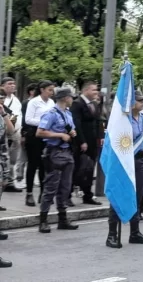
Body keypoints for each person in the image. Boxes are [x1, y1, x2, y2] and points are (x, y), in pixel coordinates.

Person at [106, 91, 143, 249]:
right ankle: (112, 234)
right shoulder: (122, 120)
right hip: (124, 161)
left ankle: (135, 232)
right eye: (139, 101)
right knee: (118, 195)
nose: (142, 103)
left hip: (139, 161)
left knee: (137, 197)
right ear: (131, 103)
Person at [36, 88, 78, 234]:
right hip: (54, 153)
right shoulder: (51, 114)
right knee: (50, 187)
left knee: (65, 188)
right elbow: (40, 132)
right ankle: (43, 221)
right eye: (71, 97)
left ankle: (62, 219)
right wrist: (60, 135)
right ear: (65, 98)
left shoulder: (68, 113)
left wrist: (72, 133)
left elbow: (72, 130)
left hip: (67, 153)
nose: (73, 99)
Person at [70, 81, 102, 205]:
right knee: (77, 169)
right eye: (94, 90)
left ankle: (87, 195)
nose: (96, 92)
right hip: (81, 143)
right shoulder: (77, 104)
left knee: (89, 170)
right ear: (86, 90)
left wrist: (100, 138)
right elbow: (76, 124)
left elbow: (98, 122)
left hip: (93, 143)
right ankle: (68, 195)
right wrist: (82, 141)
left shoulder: (94, 104)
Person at [24, 80, 56, 206]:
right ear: (42, 89)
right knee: (33, 164)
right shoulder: (34, 102)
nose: (51, 93)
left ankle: (43, 193)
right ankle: (29, 193)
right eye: (49, 90)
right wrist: (44, 123)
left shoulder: (51, 102)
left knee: (45, 165)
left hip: (47, 135)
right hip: (34, 134)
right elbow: (28, 119)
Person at [1, 78, 22, 193]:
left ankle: (10, 181)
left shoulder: (16, 100)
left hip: (14, 133)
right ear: (2, 86)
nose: (12, 86)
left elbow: (17, 115)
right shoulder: (2, 100)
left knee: (13, 159)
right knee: (4, 159)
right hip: (4, 133)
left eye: (14, 84)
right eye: (9, 84)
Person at [0, 90, 16, 242]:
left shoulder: (2, 114)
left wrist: (4, 114)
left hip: (2, 157)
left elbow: (11, 131)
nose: (1, 101)